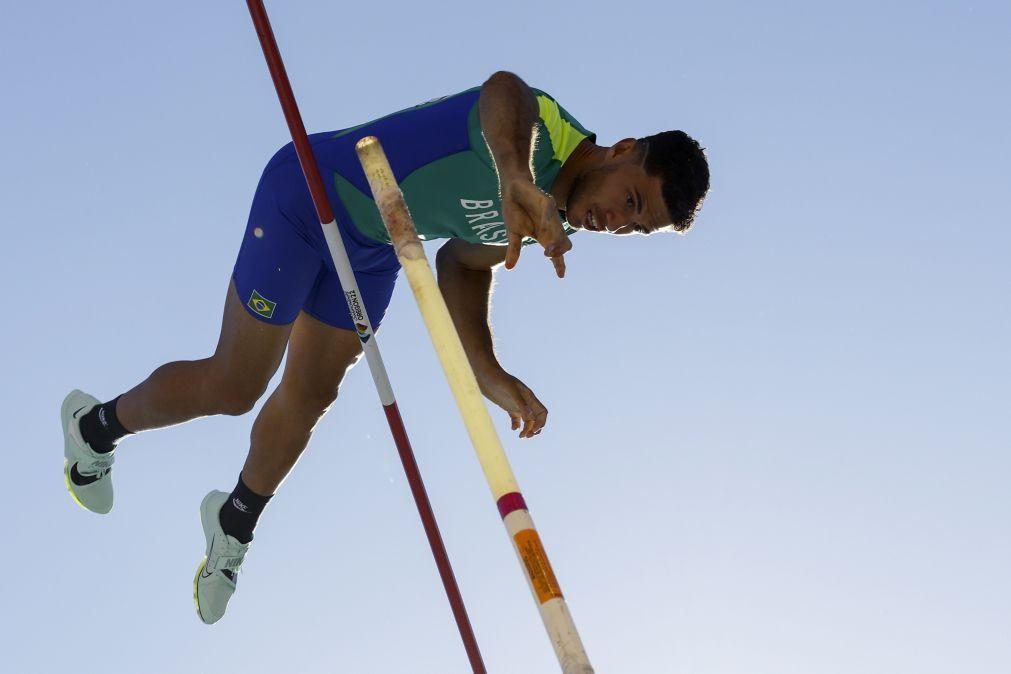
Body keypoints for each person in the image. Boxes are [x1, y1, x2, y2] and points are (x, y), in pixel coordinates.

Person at [60, 71, 710, 624]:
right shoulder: (541, 133)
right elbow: (504, 91)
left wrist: (486, 370)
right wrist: (514, 174)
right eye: (629, 199)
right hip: (309, 196)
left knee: (312, 392)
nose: (616, 221)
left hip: (371, 249)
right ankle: (93, 427)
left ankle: (232, 522)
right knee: (236, 387)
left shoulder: (553, 218)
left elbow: (463, 262)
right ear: (623, 149)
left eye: (634, 226)